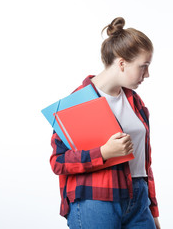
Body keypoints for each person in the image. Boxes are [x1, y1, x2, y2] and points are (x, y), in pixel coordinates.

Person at [49, 17, 160, 229]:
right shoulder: (77, 102)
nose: (147, 74)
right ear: (121, 63)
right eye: (143, 66)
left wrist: (153, 210)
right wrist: (103, 153)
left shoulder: (136, 102)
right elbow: (58, 162)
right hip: (96, 200)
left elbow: (145, 163)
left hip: (138, 199)